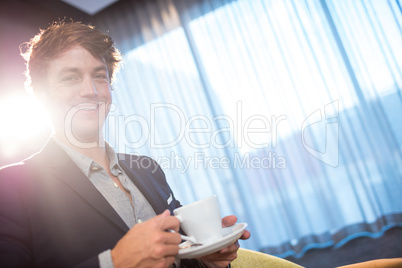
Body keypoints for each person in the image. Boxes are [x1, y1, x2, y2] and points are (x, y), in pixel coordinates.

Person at [0, 21, 250, 268]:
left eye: (99, 76)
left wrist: (209, 260)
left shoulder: (148, 169)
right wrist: (115, 263)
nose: (91, 90)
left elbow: (186, 253)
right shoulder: (11, 187)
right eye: (70, 78)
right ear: (40, 93)